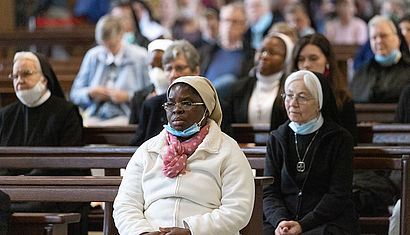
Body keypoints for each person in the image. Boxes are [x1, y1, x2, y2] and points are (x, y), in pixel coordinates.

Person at [113, 76, 255, 234]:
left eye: (187, 103)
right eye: (171, 103)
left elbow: (237, 210)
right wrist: (141, 232)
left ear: (207, 109)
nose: (177, 109)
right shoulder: (148, 150)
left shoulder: (227, 150)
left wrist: (191, 231)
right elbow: (125, 205)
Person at [0, 51, 89, 235]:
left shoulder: (66, 112)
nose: (19, 81)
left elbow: (68, 164)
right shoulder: (6, 115)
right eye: (15, 76)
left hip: (52, 191)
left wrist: (30, 180)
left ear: (45, 79)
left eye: (26, 74)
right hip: (11, 193)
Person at [263, 70, 358, 235]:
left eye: (302, 97)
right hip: (283, 221)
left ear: (319, 103)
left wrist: (303, 225)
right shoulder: (277, 138)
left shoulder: (339, 138)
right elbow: (270, 191)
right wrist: (280, 221)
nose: (292, 103)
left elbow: (338, 195)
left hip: (325, 220)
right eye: (289, 95)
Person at [70, 14, 150, 126]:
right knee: (80, 126)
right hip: (95, 114)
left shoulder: (140, 57)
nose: (108, 51)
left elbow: (150, 94)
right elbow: (75, 94)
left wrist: (128, 96)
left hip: (127, 115)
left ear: (122, 35)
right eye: (103, 46)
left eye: (112, 46)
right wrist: (91, 93)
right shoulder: (93, 55)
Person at [129, 40, 200, 146]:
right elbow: (136, 148)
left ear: (196, 71)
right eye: (168, 69)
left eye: (179, 68)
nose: (173, 74)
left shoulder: (214, 105)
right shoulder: (151, 106)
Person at [291, 33, 357, 143]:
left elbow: (350, 143)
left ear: (327, 62)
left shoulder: (342, 99)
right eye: (301, 59)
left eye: (313, 58)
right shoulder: (286, 100)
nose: (306, 65)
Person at [227, 32, 293, 130]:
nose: (264, 56)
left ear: (285, 59)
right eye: (262, 51)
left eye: (272, 52)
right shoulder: (239, 88)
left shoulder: (290, 90)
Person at [199, 2, 254, 100]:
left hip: (231, 105)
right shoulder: (206, 51)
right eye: (226, 20)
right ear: (220, 23)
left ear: (244, 27)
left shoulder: (251, 55)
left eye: (235, 21)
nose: (229, 25)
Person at [350, 15, 410, 103]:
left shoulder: (408, 69)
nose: (378, 41)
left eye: (383, 36)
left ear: (397, 39)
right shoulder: (362, 71)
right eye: (374, 37)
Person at [129, 39, 173, 124]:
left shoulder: (182, 97)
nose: (156, 71)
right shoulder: (139, 97)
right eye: (153, 66)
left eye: (161, 66)